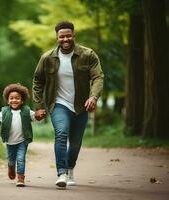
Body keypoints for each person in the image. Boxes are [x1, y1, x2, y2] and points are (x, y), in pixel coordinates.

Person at [32, 21, 104, 188]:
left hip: (81, 105)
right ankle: (62, 173)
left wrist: (93, 97)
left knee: (76, 142)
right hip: (58, 104)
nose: (65, 39)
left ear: (74, 35)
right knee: (61, 134)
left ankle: (70, 167)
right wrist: (39, 105)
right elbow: (38, 80)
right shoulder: (47, 58)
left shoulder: (88, 54)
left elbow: (97, 77)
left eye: (68, 35)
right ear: (57, 37)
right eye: (61, 36)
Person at [0, 83, 46, 187]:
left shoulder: (26, 111)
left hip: (23, 140)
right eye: (11, 98)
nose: (14, 100)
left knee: (21, 158)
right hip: (9, 141)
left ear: (22, 100)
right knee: (11, 160)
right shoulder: (4, 111)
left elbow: (35, 116)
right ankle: (11, 167)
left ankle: (21, 178)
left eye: (17, 98)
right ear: (8, 100)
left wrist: (39, 115)